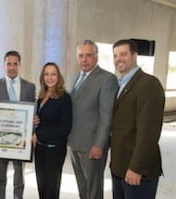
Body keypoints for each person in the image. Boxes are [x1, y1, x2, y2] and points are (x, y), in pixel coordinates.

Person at [110, 39, 165, 199]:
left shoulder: (149, 84)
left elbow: (148, 133)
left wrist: (136, 168)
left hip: (137, 171)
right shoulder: (119, 85)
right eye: (115, 55)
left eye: (123, 54)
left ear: (134, 55)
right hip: (119, 167)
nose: (118, 59)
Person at [0, 50, 36, 199]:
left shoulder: (29, 87)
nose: (12, 67)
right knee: (0, 177)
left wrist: (33, 131)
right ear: (4, 65)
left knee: (19, 177)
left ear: (19, 65)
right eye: (8, 63)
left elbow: (32, 111)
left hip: (20, 140)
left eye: (15, 64)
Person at [68, 39, 118, 199]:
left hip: (92, 145)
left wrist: (99, 144)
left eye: (89, 55)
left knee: (94, 190)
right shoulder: (76, 77)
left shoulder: (107, 79)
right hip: (75, 143)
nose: (84, 59)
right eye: (81, 55)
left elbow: (106, 116)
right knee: (82, 187)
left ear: (96, 56)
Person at [33, 62, 72, 199]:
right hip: (40, 149)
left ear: (59, 77)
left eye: (53, 74)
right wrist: (36, 121)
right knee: (41, 186)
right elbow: (44, 119)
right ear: (42, 77)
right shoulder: (42, 96)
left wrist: (39, 135)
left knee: (51, 189)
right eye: (46, 74)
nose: (50, 77)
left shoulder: (64, 98)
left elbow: (65, 127)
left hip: (54, 150)